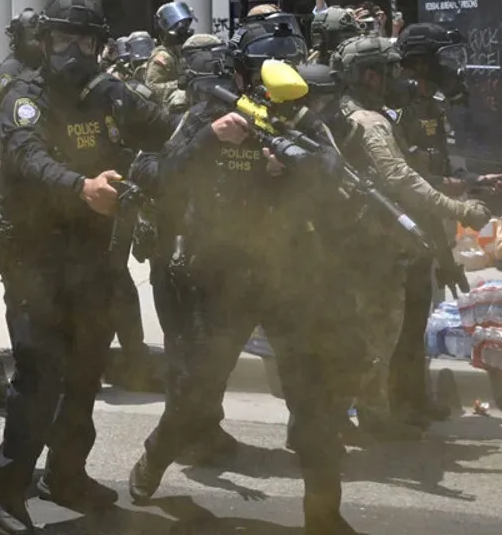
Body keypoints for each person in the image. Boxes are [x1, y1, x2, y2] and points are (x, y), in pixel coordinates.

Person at [127, 37, 358, 533]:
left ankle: (324, 516)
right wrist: (210, 139)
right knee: (195, 392)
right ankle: (155, 457)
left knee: (313, 402)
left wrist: (287, 169)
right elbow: (153, 173)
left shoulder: (300, 119)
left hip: (288, 277)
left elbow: (335, 174)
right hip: (220, 279)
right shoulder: (207, 116)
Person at [0, 0, 175, 535]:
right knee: (38, 379)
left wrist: (208, 132)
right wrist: (81, 186)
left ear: (99, 47)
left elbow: (167, 129)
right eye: (62, 40)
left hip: (95, 261)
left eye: (83, 42)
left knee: (86, 373)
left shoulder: (111, 94)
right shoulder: (24, 96)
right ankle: (7, 488)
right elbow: (27, 156)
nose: (73, 52)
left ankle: (66, 475)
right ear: (44, 44)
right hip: (35, 261)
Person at [335, 36, 490, 439]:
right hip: (374, 247)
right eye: (390, 70)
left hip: (361, 243)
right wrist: (460, 210)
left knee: (368, 334)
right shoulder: (369, 122)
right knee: (379, 337)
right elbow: (401, 180)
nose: (398, 77)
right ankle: (374, 419)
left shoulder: (347, 111)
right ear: (371, 76)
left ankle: (348, 416)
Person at [145, 1, 196, 108]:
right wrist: (179, 84)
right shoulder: (163, 56)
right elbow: (151, 87)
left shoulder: (184, 51)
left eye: (186, 24)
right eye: (180, 25)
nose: (186, 29)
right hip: (168, 109)